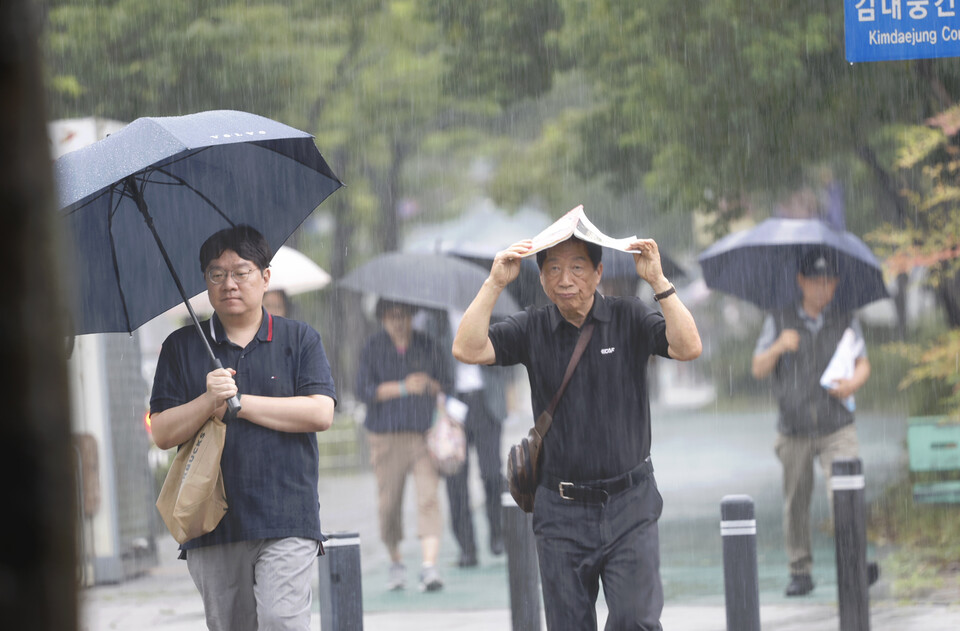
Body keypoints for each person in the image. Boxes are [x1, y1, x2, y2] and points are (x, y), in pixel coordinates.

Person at [453, 234, 702, 630]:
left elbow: (688, 347)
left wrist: (658, 281)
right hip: (560, 509)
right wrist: (494, 282)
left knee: (636, 620)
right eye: (553, 268)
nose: (565, 279)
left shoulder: (629, 316)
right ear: (541, 279)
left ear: (598, 272)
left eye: (577, 267)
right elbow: (468, 349)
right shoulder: (532, 326)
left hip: (630, 504)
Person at [149, 224, 337, 631]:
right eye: (216, 274)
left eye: (241, 271)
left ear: (265, 276)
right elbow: (162, 433)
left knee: (282, 622)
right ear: (205, 281)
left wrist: (241, 405)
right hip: (212, 522)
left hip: (287, 516)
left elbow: (320, 412)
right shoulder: (181, 348)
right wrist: (206, 402)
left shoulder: (299, 339)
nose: (228, 283)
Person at [751, 248, 874, 597]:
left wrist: (853, 383)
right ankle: (800, 570)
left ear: (836, 284)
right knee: (796, 501)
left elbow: (863, 362)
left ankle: (855, 562)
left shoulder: (845, 319)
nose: (823, 288)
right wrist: (777, 347)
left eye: (829, 282)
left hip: (838, 424)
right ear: (801, 282)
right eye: (816, 281)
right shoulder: (779, 319)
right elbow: (758, 368)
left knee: (847, 494)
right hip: (794, 428)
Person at [355, 299, 453, 592]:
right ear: (383, 319)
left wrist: (429, 385)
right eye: (391, 316)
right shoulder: (372, 347)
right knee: (389, 504)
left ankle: (429, 566)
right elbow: (362, 390)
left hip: (424, 435)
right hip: (386, 437)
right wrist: (401, 387)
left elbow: (448, 383)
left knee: (429, 499)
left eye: (403, 315)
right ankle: (396, 561)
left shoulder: (428, 344)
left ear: (412, 316)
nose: (398, 321)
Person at [443, 309, 507, 567]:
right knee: (455, 479)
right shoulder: (435, 318)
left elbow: (504, 350)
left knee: (492, 473)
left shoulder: (488, 311)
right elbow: (432, 358)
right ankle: (466, 547)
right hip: (452, 403)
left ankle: (498, 533)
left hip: (486, 400)